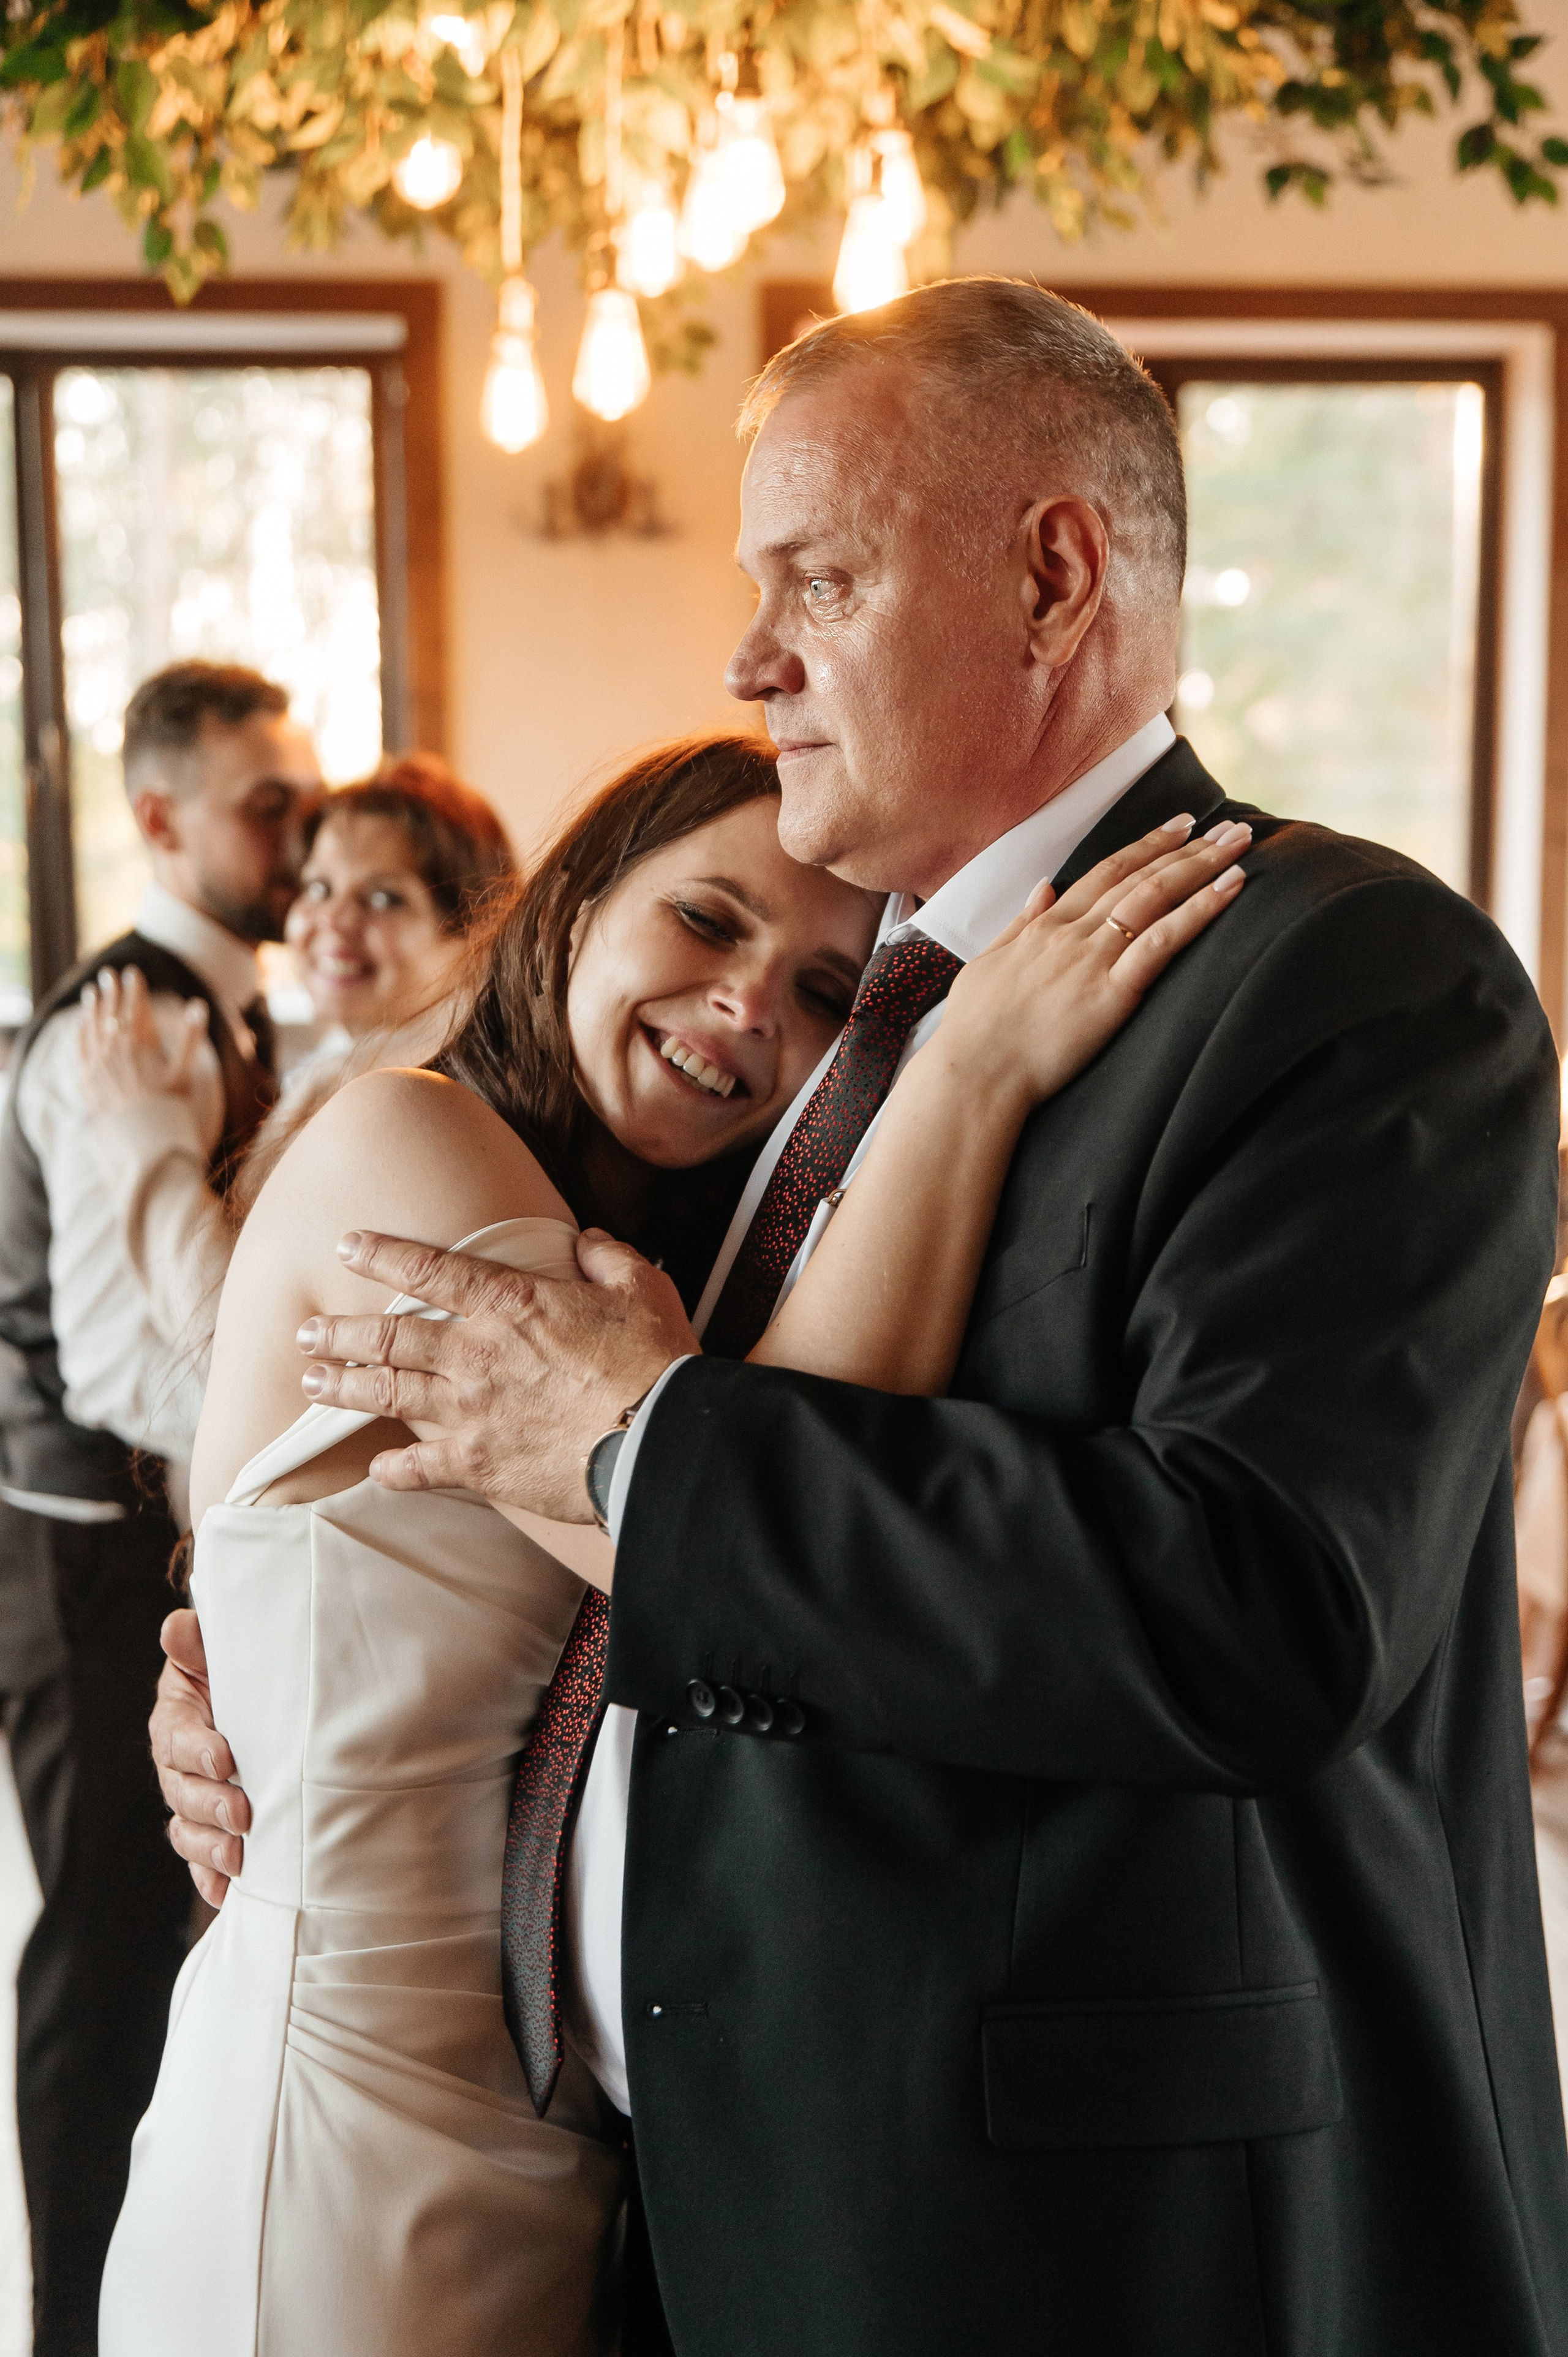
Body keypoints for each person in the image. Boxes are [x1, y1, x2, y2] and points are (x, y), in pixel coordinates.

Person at [157, 280, 1568, 2355]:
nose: (746, 657)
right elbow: (639, 1510)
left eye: (812, 575)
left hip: (1079, 2236)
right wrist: (241, 1683)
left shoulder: (1347, 977)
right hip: (669, 2201)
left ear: (1051, 570)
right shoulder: (822, 1045)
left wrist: (637, 1448)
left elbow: (1261, 1600)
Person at [99, 731, 1243, 2356]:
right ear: (570, 902)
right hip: (339, 2123)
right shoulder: (405, 1147)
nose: (744, 1006)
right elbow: (749, 1543)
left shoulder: (649, 1264)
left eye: (826, 992)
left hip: (554, 2145)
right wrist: (968, 1074)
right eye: (706, 922)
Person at [0, 658, 322, 2356]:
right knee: (104, 1954)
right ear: (156, 817)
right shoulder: (124, 1030)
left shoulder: (229, 1016)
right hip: (91, 1555)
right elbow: (145, 1373)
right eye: (266, 807)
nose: (299, 833)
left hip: (160, 1547)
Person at [77, 753, 516, 1368]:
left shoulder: (416, 1102)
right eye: (318, 887)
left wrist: (148, 1135)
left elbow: (230, 1349)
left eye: (385, 897)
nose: (333, 921)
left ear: (475, 930)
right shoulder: (348, 1063)